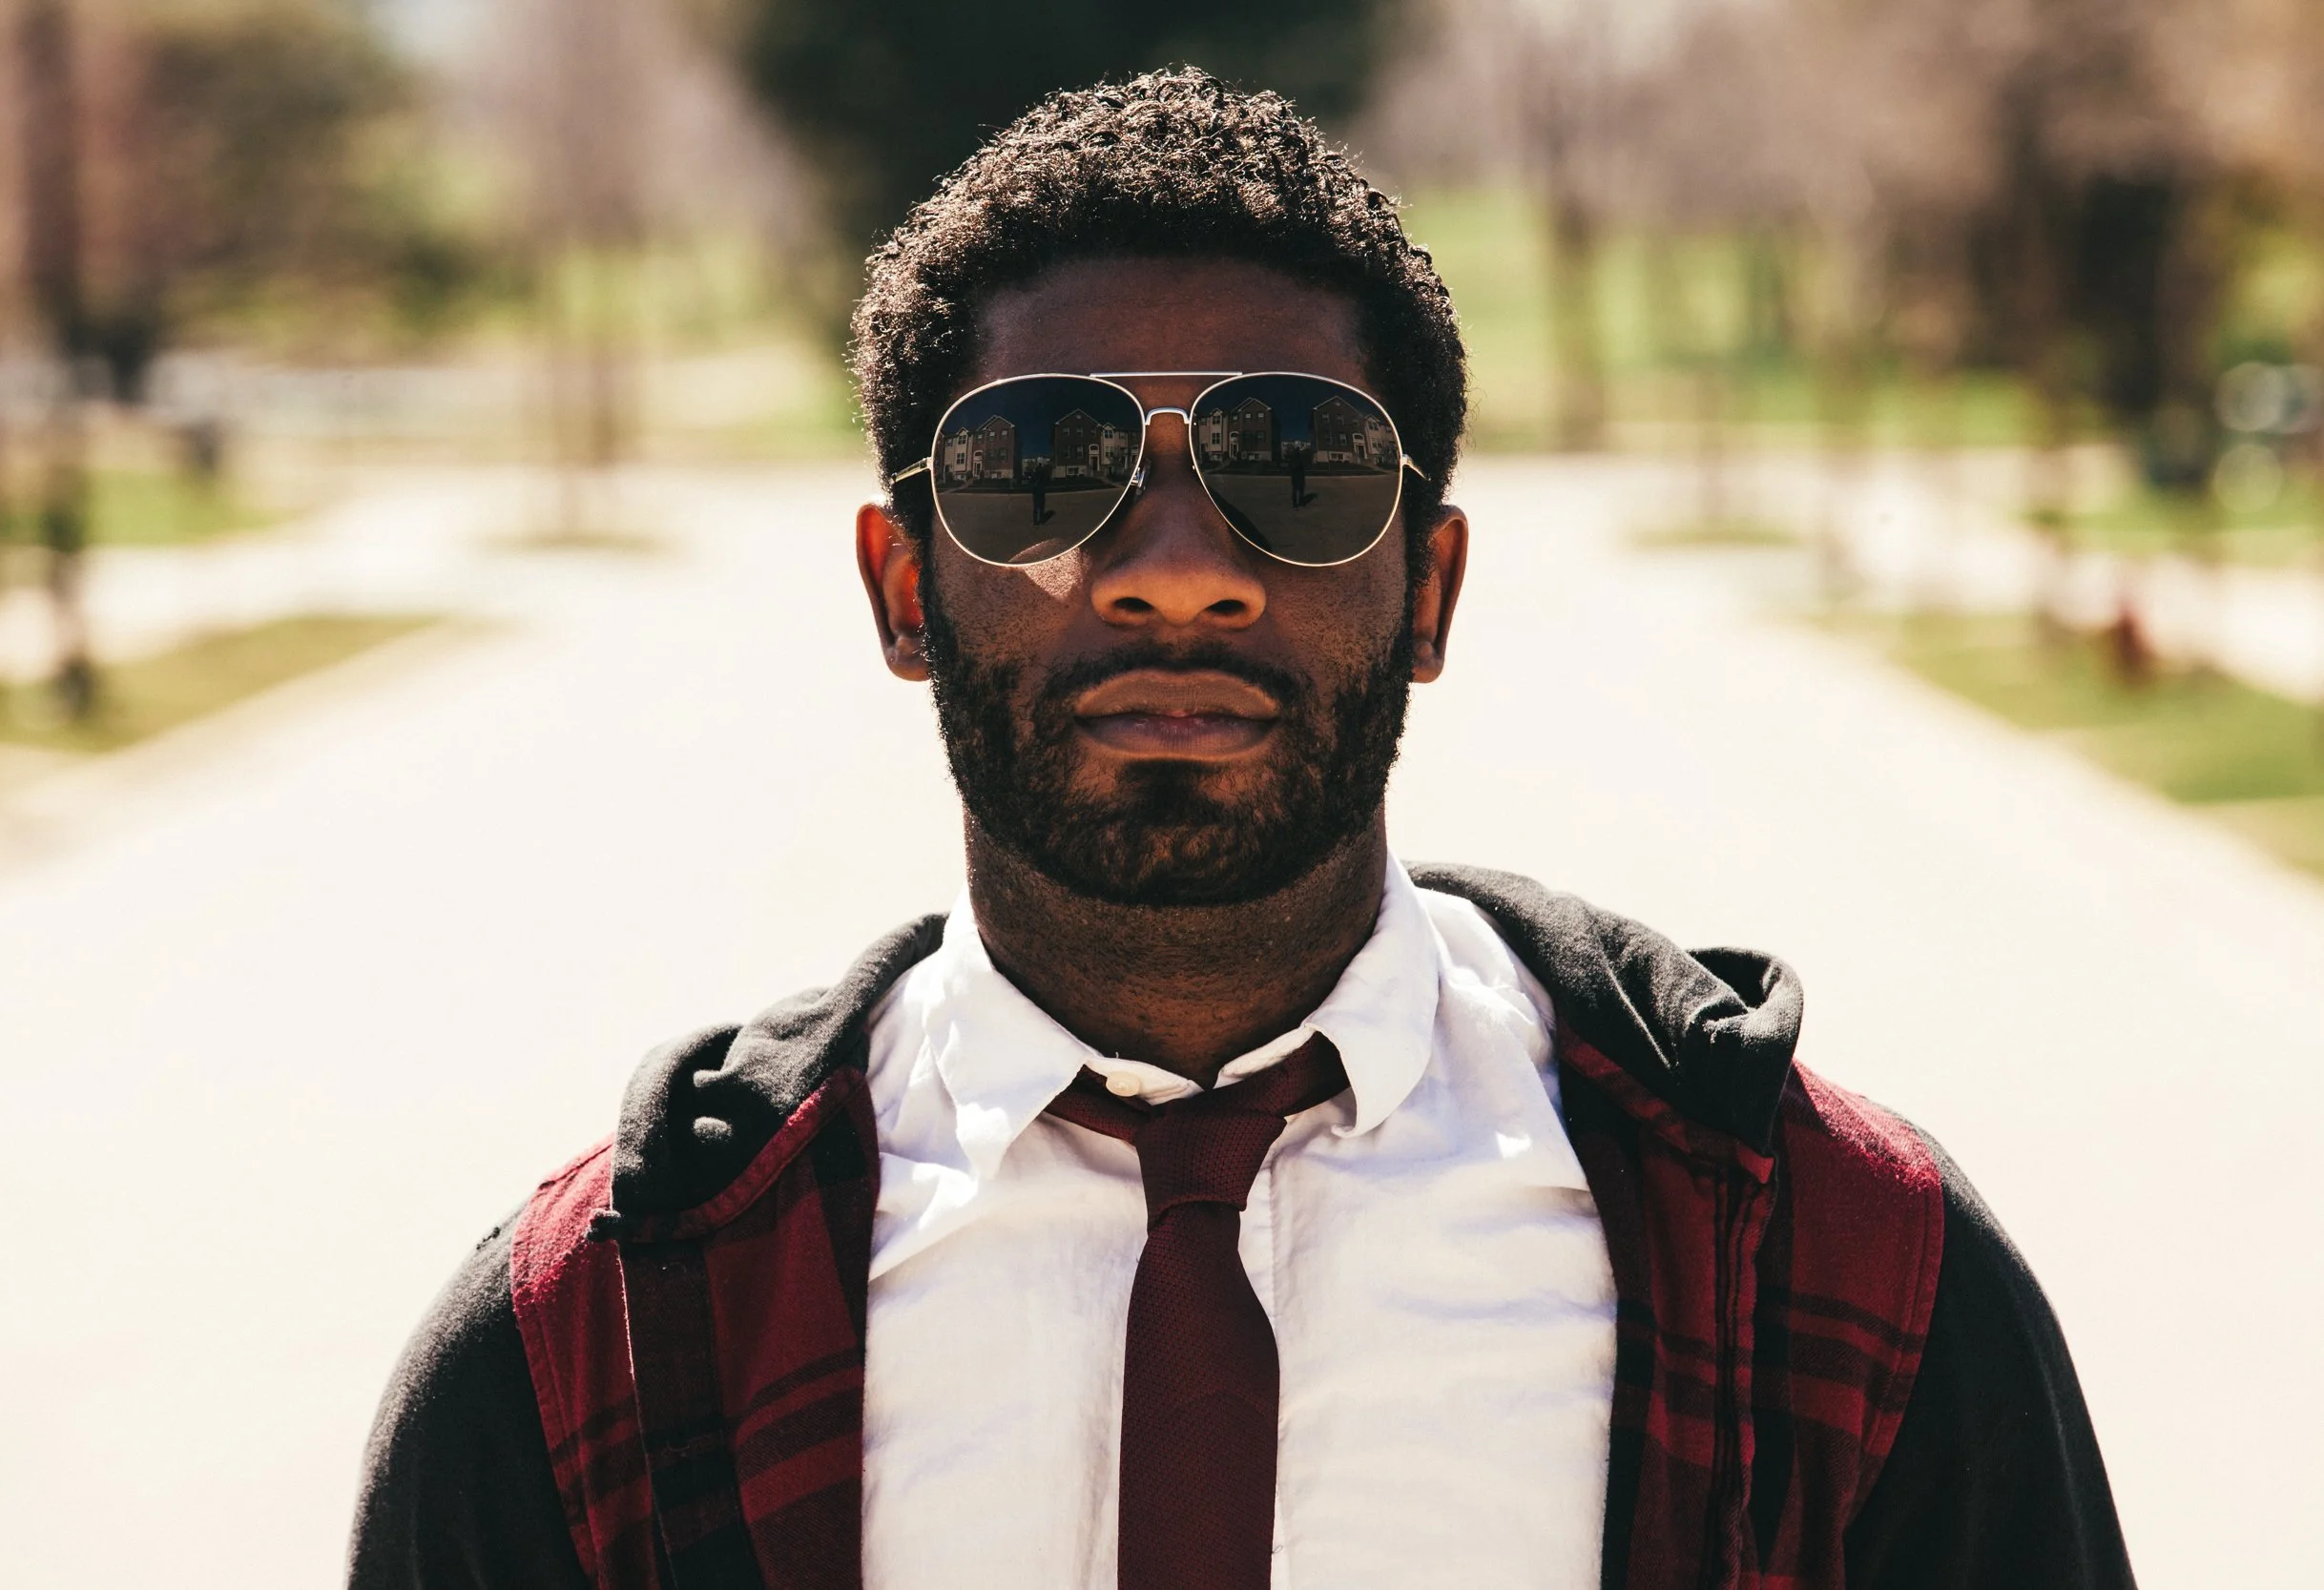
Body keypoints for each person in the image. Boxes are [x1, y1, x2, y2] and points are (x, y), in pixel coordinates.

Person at [349, 71, 2133, 1590]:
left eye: (1298, 462)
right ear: (904, 590)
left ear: (1428, 591)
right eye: (1045, 464)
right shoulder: (597, 1343)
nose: (1183, 571)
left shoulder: (1838, 1272)